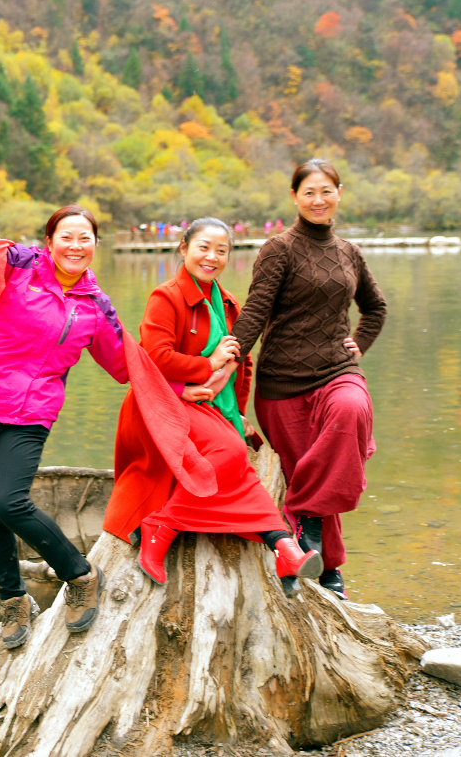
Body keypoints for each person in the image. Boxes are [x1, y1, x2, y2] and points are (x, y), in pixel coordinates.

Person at [0, 197, 209, 649]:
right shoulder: (16, 266)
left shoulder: (95, 306)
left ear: (95, 244)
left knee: (9, 502)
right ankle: (12, 598)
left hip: (29, 415)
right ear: (49, 241)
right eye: (66, 237)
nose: (75, 246)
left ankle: (79, 573)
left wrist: (176, 390)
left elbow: (126, 365)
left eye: (85, 238)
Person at [105, 218, 322, 597]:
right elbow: (153, 357)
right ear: (184, 247)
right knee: (231, 451)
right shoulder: (167, 296)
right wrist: (207, 364)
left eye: (221, 250)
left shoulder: (228, 303)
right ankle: (163, 524)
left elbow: (242, 364)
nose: (212, 257)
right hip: (162, 401)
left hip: (208, 405)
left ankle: (283, 547)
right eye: (204, 247)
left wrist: (236, 411)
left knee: (242, 470)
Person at [231, 159, 387, 599]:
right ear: (295, 198)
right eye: (309, 192)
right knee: (307, 470)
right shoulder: (278, 249)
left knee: (350, 413)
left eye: (326, 191)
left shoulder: (349, 252)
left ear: (340, 192)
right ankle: (330, 567)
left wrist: (361, 341)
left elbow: (375, 307)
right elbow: (256, 312)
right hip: (282, 380)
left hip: (338, 370)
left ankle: (304, 518)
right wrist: (229, 358)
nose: (318, 200)